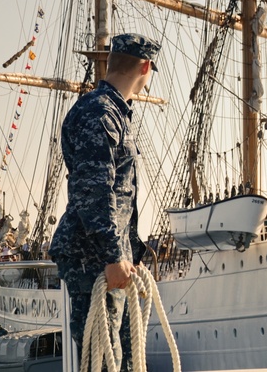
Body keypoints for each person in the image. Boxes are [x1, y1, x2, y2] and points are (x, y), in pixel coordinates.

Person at [48, 33, 158, 371]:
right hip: (92, 258)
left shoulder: (113, 113)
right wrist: (113, 255)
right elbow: (93, 191)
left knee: (120, 360)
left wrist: (128, 255)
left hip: (110, 258)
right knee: (102, 361)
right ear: (146, 66)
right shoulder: (100, 113)